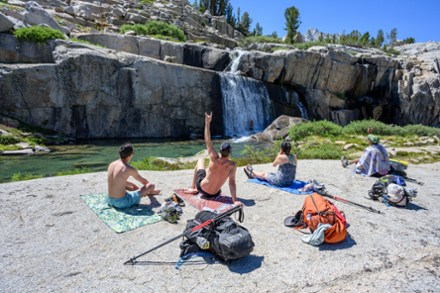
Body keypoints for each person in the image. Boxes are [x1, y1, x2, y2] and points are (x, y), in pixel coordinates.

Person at [185, 112, 240, 205]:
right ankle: (195, 188)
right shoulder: (232, 165)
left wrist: (207, 122)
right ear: (230, 153)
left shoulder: (214, 157)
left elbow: (207, 139)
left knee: (200, 160)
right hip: (215, 193)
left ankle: (194, 188)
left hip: (201, 189)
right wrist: (235, 200)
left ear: (220, 151)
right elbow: (232, 183)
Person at [107, 143, 160, 208]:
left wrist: (131, 184)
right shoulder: (128, 168)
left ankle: (141, 192)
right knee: (151, 185)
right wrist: (150, 190)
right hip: (122, 202)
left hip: (110, 200)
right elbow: (144, 182)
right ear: (131, 155)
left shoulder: (112, 164)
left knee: (130, 187)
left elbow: (116, 180)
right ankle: (150, 192)